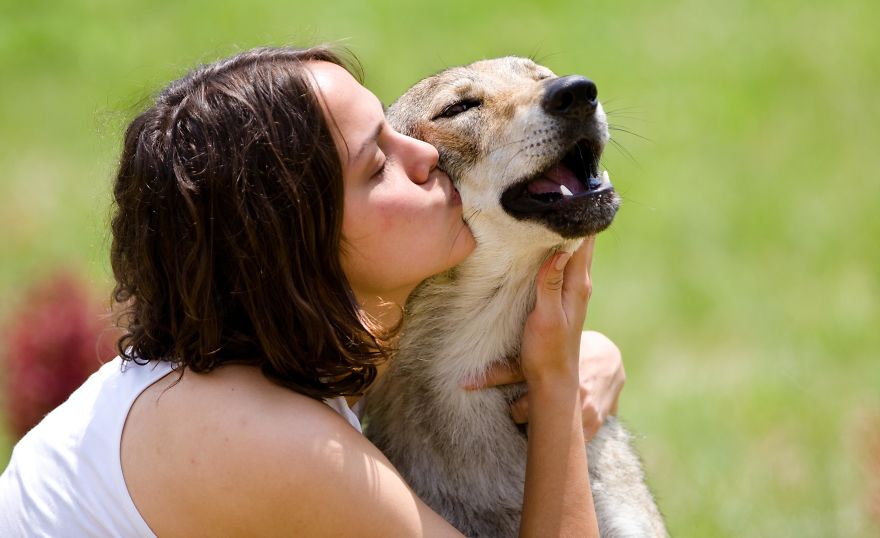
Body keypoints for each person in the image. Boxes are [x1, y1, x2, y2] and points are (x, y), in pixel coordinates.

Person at [0, 46, 625, 536]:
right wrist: (555, 384)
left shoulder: (266, 360)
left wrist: (588, 353)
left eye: (392, 126)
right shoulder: (261, 436)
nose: (429, 157)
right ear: (299, 245)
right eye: (377, 165)